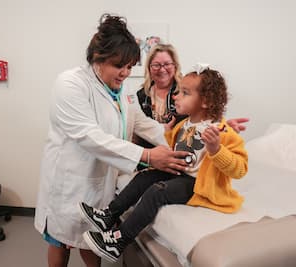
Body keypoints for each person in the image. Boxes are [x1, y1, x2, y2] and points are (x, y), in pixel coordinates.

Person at [34, 14, 191, 267]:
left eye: (130, 67)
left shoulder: (122, 91)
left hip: (99, 181)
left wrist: (181, 143)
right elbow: (90, 136)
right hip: (69, 181)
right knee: (61, 242)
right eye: (120, 66)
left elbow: (143, 123)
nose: (126, 73)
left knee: (90, 241)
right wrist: (148, 156)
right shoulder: (71, 84)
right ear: (98, 58)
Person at [80, 65, 248, 263]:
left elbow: (239, 169)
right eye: (178, 91)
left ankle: (119, 240)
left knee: (157, 191)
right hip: (180, 174)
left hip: (197, 186)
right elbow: (174, 146)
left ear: (205, 101)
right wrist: (168, 131)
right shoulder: (184, 124)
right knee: (144, 177)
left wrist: (216, 150)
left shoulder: (221, 131)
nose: (176, 96)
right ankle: (109, 214)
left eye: (184, 93)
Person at [135, 43, 248, 150]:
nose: (162, 69)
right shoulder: (139, 96)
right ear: (149, 68)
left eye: (167, 64)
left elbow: (205, 117)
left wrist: (223, 127)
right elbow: (136, 129)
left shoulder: (190, 89)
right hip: (149, 158)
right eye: (156, 65)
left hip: (182, 156)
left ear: (175, 66)